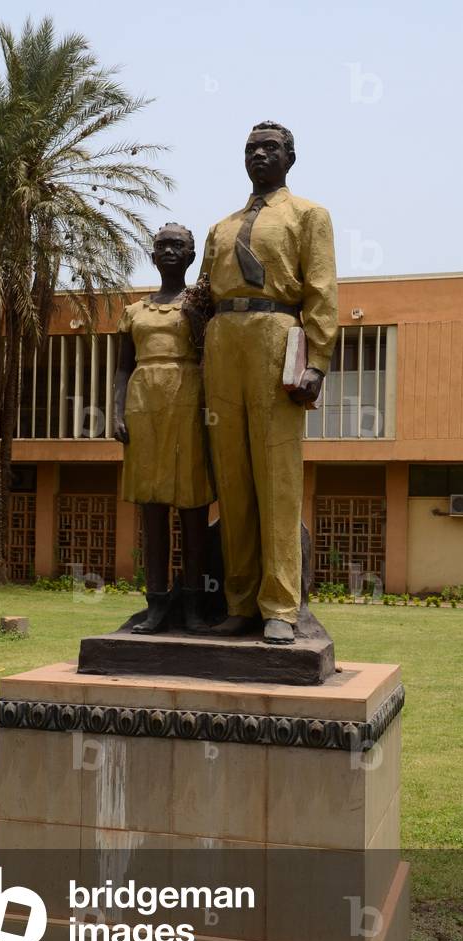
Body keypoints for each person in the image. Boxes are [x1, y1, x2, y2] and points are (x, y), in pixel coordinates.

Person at [201, 121, 338, 644]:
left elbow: (321, 290)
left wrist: (317, 362)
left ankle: (280, 605)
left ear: (291, 157)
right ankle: (239, 601)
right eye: (251, 149)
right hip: (222, 340)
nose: (259, 155)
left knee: (278, 478)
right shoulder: (221, 225)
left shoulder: (309, 215)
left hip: (276, 334)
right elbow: (201, 294)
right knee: (232, 480)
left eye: (270, 148)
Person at [113, 223, 215, 634]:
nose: (169, 251)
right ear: (152, 256)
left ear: (192, 256)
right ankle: (155, 603)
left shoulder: (202, 304)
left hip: (190, 403)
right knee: (152, 507)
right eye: (162, 246)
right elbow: (122, 367)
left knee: (192, 506)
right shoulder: (134, 311)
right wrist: (116, 413)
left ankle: (192, 605)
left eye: (178, 246)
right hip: (143, 406)